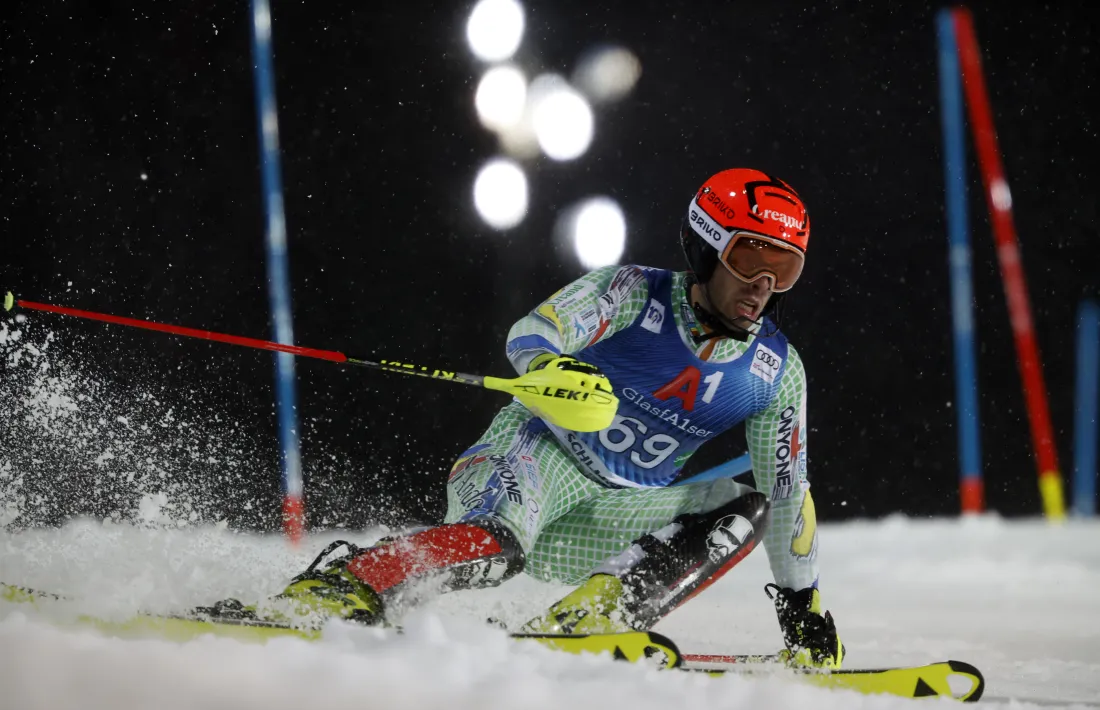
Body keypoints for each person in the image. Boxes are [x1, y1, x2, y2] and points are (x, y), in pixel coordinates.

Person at [226, 168, 843, 668]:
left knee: (745, 510)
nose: (763, 285)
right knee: (495, 544)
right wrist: (551, 364)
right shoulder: (632, 291)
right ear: (706, 247)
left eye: (784, 268)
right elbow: (534, 331)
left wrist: (803, 604)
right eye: (749, 259)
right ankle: (345, 586)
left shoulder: (776, 372)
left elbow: (788, 491)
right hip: (534, 459)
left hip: (616, 512)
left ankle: (587, 621)